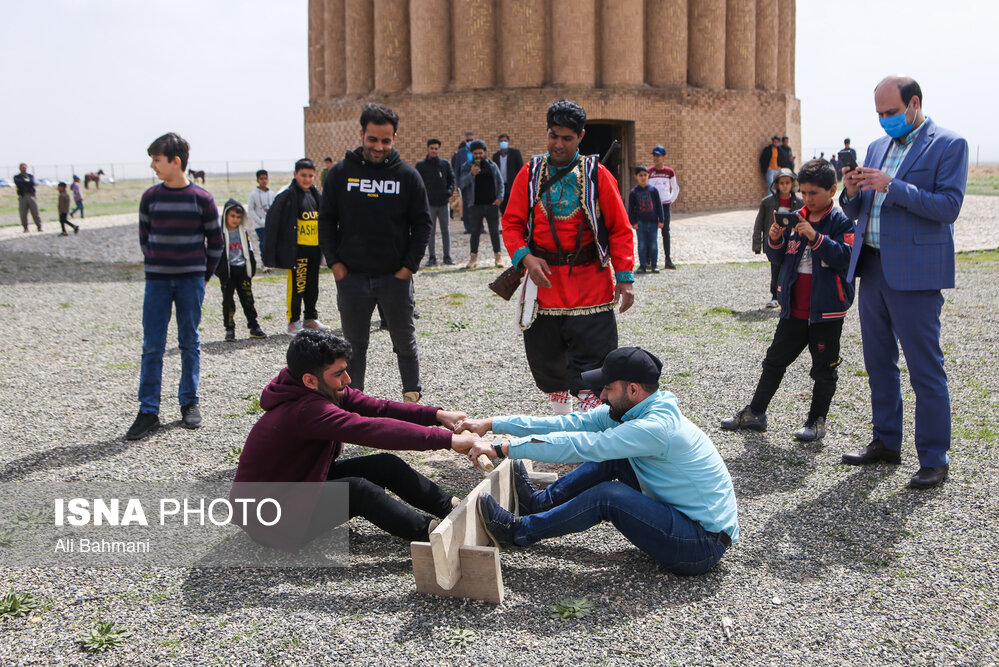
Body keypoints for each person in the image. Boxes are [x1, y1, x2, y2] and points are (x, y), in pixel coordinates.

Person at [453, 346, 738, 576]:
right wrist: (492, 423)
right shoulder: (638, 409)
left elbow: (579, 445)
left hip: (700, 545)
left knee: (607, 496)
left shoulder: (654, 428)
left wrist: (503, 448)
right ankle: (539, 503)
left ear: (633, 390)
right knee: (615, 460)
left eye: (607, 388)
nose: (601, 395)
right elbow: (569, 425)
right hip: (686, 521)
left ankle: (518, 532)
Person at [231, 330, 481, 550]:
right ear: (309, 379)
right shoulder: (306, 410)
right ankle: (437, 535)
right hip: (269, 519)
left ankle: (453, 507)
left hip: (297, 485)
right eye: (339, 373)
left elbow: (378, 409)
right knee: (357, 491)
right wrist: (447, 440)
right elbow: (371, 429)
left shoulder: (313, 385)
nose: (347, 379)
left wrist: (436, 415)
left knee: (385, 464)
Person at [839, 76, 968, 489]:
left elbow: (948, 207)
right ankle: (886, 441)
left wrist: (894, 186)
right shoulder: (878, 147)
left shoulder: (949, 144)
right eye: (878, 114)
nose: (884, 121)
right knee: (878, 363)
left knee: (924, 369)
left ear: (914, 103)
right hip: (873, 268)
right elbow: (860, 208)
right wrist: (850, 191)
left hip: (915, 273)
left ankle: (933, 457)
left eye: (891, 113)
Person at [501, 99, 635, 415]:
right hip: (543, 288)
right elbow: (512, 223)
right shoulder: (529, 174)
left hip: (591, 286)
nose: (558, 144)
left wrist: (625, 278)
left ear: (581, 136)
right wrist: (525, 258)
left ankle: (589, 433)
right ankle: (563, 428)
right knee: (549, 362)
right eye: (553, 136)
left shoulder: (597, 175)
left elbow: (619, 228)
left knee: (594, 364)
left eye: (567, 138)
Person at [721, 159, 855, 442]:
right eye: (803, 192)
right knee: (773, 362)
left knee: (824, 370)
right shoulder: (794, 218)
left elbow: (846, 259)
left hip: (826, 313)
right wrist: (775, 240)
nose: (806, 199)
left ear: (832, 190)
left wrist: (816, 237)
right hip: (794, 310)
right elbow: (779, 259)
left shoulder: (841, 222)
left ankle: (816, 421)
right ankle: (755, 412)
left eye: (813, 193)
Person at [318, 103, 432, 403]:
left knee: (405, 344)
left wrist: (407, 269)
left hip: (394, 279)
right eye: (373, 139)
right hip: (352, 278)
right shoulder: (341, 173)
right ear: (361, 134)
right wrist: (336, 265)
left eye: (386, 140)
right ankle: (353, 408)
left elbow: (422, 224)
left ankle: (412, 401)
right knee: (353, 348)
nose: (379, 147)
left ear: (394, 138)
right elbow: (326, 220)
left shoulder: (407, 176)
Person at [126, 132, 223, 441]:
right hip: (156, 282)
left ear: (175, 161)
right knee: (152, 346)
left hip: (190, 282)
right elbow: (145, 238)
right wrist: (159, 263)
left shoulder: (203, 199)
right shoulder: (150, 198)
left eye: (157, 159)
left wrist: (201, 276)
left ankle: (189, 403)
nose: (153, 165)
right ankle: (148, 411)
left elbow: (216, 243)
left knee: (189, 342)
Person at [263, 158, 328, 334]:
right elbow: (273, 223)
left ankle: (310, 318)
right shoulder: (287, 196)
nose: (307, 179)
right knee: (298, 286)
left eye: (310, 176)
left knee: (312, 286)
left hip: (314, 249)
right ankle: (293, 321)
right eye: (303, 175)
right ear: (295, 174)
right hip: (297, 251)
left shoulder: (315, 195)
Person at [215, 199, 266, 342]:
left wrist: (251, 269)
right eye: (232, 216)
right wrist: (220, 272)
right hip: (228, 274)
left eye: (238, 217)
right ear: (225, 216)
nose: (235, 220)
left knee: (248, 300)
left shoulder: (243, 232)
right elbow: (215, 254)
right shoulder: (220, 234)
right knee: (228, 302)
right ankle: (229, 329)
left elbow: (249, 251)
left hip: (242, 270)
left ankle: (254, 326)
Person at [752, 167, 803, 308]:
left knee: (793, 269)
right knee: (775, 269)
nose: (785, 185)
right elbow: (759, 224)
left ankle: (791, 296)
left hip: (793, 241)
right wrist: (757, 245)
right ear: (777, 184)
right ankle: (775, 296)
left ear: (792, 184)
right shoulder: (767, 203)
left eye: (787, 182)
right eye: (782, 183)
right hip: (775, 241)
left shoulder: (799, 204)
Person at [459, 140, 504, 269]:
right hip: (475, 206)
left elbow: (500, 182)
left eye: (480, 153)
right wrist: (471, 174)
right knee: (475, 233)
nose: (478, 156)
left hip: (491, 205)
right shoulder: (467, 166)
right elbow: (462, 183)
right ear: (472, 154)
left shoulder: (492, 166)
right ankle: (473, 259)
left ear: (485, 152)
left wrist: (500, 198)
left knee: (494, 232)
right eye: (475, 153)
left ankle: (498, 257)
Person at [415, 138, 455, 267]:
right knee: (430, 232)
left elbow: (452, 179)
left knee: (445, 231)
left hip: (443, 203)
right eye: (431, 148)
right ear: (427, 149)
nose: (434, 150)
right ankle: (431, 257)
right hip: (429, 205)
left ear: (439, 149)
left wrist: (448, 192)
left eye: (436, 148)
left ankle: (447, 256)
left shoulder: (444, 164)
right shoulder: (421, 166)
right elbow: (417, 184)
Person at [627, 165, 664, 273]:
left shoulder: (653, 190)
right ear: (636, 176)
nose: (643, 177)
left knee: (653, 244)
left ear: (648, 176)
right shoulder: (634, 192)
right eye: (640, 175)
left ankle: (654, 265)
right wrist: (633, 222)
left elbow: (659, 205)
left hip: (653, 222)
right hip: (640, 223)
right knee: (642, 244)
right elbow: (631, 209)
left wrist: (661, 219)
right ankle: (642, 265)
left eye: (645, 175)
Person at [647, 145, 679, 269]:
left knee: (666, 232)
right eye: (654, 155)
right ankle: (649, 260)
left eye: (658, 156)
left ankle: (668, 259)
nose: (656, 158)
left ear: (664, 157)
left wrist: (670, 200)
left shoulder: (669, 172)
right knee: (650, 232)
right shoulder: (650, 172)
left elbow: (675, 188)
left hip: (664, 205)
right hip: (652, 207)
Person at [451, 131, 476, 234]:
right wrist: (456, 183)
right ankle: (468, 226)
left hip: (476, 181)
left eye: (471, 140)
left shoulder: (477, 151)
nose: (470, 142)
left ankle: (479, 226)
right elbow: (457, 168)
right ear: (465, 141)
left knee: (477, 205)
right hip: (464, 181)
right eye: (468, 140)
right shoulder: (460, 152)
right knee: (465, 204)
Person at [248, 169, 274, 266]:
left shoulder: (271, 194)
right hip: (259, 225)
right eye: (261, 179)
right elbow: (251, 209)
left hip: (270, 224)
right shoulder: (253, 194)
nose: (264, 181)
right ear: (257, 180)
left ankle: (271, 261)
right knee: (263, 243)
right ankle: (265, 262)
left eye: (265, 178)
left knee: (271, 243)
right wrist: (259, 221)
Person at [492, 133, 524, 214]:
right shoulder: (495, 156)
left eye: (505, 141)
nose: (503, 142)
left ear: (508, 141)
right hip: (501, 185)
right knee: (503, 208)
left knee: (513, 206)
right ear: (498, 143)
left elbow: (520, 168)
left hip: (512, 184)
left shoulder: (515, 153)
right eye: (501, 141)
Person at [14, 163, 43, 232]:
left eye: (24, 168)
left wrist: (25, 182)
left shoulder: (30, 176)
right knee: (23, 213)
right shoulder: (17, 177)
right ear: (20, 168)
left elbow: (32, 183)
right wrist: (26, 181)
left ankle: (39, 226)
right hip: (22, 196)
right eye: (22, 168)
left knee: (35, 212)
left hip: (31, 195)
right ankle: (25, 227)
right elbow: (18, 182)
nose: (23, 169)